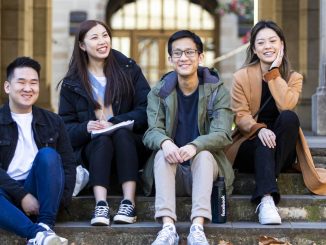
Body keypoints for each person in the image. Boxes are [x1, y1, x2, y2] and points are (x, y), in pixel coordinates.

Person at [143, 30, 234, 245]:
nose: (184, 58)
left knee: (202, 156)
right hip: (171, 175)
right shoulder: (159, 92)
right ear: (170, 59)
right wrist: (165, 143)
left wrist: (195, 146)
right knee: (161, 155)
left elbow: (223, 134)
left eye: (190, 52)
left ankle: (197, 227)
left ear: (200, 57)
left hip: (205, 174)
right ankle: (167, 228)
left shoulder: (217, 91)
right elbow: (151, 132)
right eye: (178, 53)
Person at [58, 20, 150, 226]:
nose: (102, 41)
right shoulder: (72, 82)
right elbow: (65, 128)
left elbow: (147, 110)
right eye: (94, 37)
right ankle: (101, 204)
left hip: (130, 146)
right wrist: (86, 127)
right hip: (94, 150)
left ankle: (129, 201)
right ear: (82, 45)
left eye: (105, 35)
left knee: (120, 133)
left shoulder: (129, 69)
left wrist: (115, 122)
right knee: (102, 140)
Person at [226, 20, 305, 225]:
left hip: (281, 148)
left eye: (272, 41)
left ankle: (266, 183)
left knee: (290, 117)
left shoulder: (294, 78)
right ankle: (267, 199)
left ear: (281, 45)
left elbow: (287, 104)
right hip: (249, 144)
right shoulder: (241, 77)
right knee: (263, 143)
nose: (267, 46)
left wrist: (274, 72)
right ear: (253, 48)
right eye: (261, 43)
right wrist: (259, 129)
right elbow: (240, 115)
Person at [0, 57, 76, 245]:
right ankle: (39, 234)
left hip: (42, 193)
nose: (28, 88)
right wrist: (22, 196)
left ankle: (45, 225)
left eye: (33, 83)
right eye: (22, 82)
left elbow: (68, 166)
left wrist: (59, 202)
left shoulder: (53, 121)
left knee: (48, 155)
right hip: (7, 193)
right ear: (7, 87)